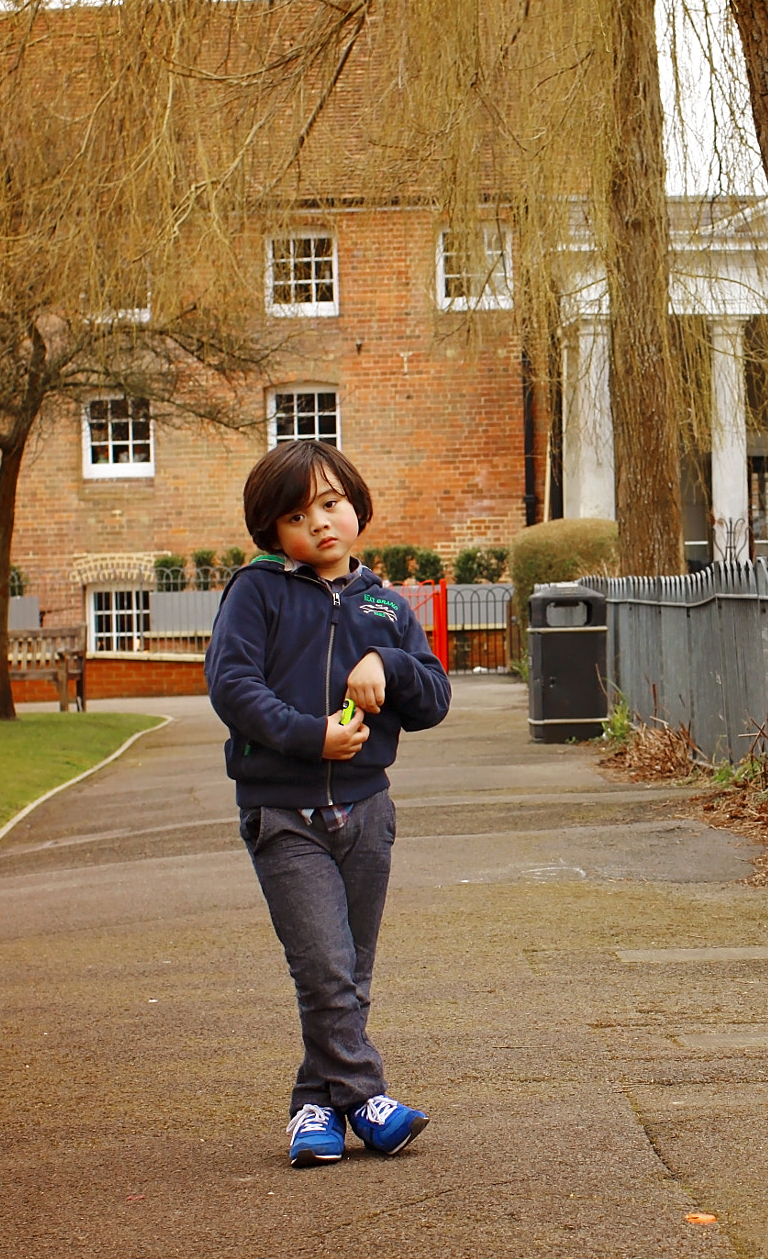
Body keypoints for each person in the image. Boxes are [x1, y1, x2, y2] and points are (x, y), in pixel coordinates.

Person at [206, 440, 452, 1167]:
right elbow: (233, 687)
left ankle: (314, 1109)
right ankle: (369, 1100)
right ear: (271, 532)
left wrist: (391, 663)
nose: (318, 524)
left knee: (348, 972)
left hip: (367, 814)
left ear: (355, 506)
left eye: (330, 504)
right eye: (295, 515)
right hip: (283, 815)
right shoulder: (257, 592)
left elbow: (434, 698)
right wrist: (309, 736)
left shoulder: (384, 605)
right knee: (323, 966)